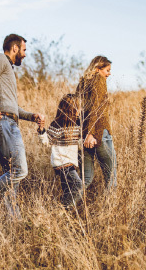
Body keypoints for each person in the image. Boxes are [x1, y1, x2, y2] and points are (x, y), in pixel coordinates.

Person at [0, 34, 45, 219]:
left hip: (8, 120)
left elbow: (12, 107)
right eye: (24, 50)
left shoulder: (8, 68)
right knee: (19, 171)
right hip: (3, 123)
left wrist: (32, 116)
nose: (25, 54)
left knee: (11, 177)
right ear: (15, 48)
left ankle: (14, 221)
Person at [75, 56, 117, 190]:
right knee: (111, 176)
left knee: (86, 178)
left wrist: (85, 132)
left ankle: (67, 204)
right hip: (98, 133)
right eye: (107, 70)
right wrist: (91, 133)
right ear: (98, 69)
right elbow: (95, 108)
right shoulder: (99, 80)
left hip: (85, 134)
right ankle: (111, 209)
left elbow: (77, 108)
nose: (109, 74)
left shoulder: (82, 83)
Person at [37, 93, 83, 207]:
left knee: (68, 190)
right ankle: (63, 208)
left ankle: (65, 213)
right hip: (62, 163)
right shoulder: (58, 124)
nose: (80, 109)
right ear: (71, 109)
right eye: (78, 107)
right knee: (78, 185)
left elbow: (81, 139)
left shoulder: (77, 124)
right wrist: (41, 130)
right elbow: (47, 141)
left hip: (71, 163)